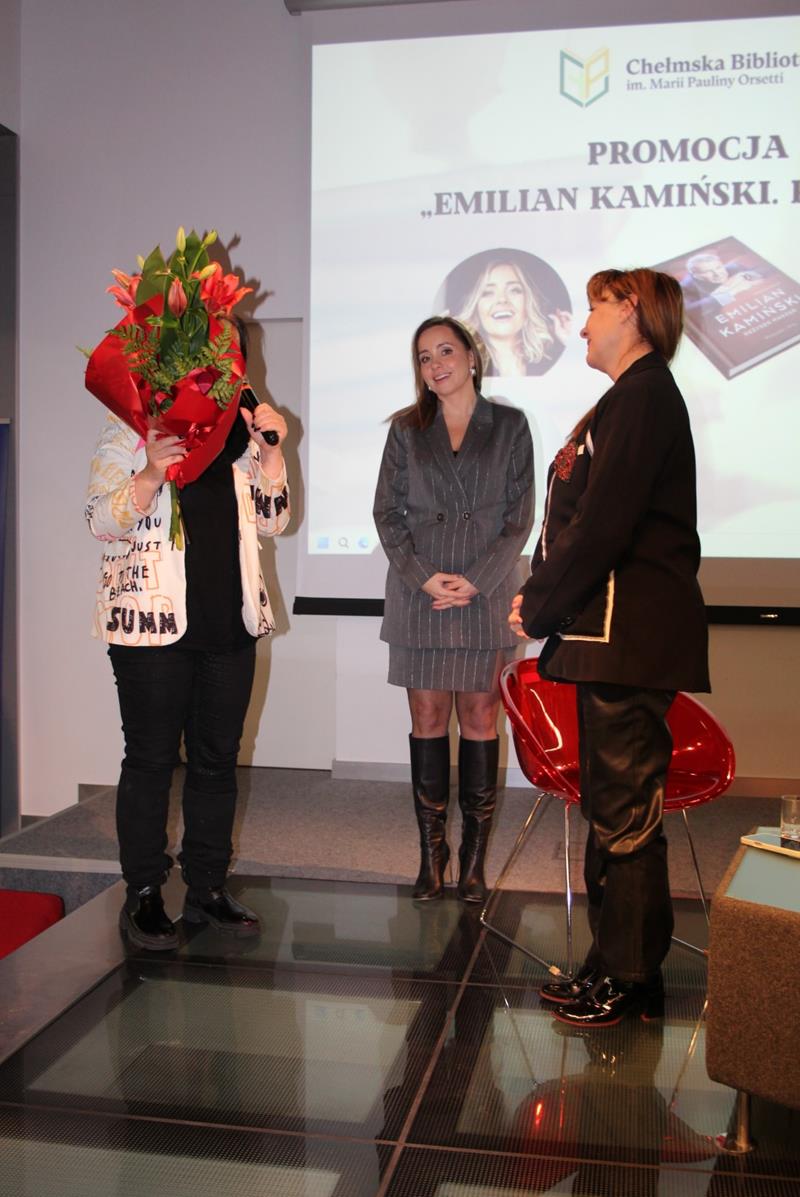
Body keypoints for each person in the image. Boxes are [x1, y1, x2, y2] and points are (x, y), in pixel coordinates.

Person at [509, 268, 709, 1026]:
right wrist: (549, 596)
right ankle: (615, 963)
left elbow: (604, 523)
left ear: (632, 310)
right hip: (610, 636)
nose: (583, 324)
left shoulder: (644, 395)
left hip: (629, 636)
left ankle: (629, 976)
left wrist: (541, 603)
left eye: (595, 306)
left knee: (624, 815)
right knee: (613, 809)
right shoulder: (629, 397)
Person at [86, 321, 290, 950]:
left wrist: (271, 452)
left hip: (229, 621)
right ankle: (144, 892)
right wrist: (150, 473)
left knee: (216, 760)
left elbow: (274, 521)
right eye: (210, 353)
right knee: (151, 760)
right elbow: (99, 519)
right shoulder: (132, 424)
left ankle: (207, 885)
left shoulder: (244, 432)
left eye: (231, 357)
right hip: (150, 626)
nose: (221, 366)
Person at [374, 315, 534, 903]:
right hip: (421, 595)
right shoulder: (406, 430)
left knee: (481, 719)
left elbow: (519, 518)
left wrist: (476, 581)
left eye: (445, 351)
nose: (436, 364)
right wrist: (424, 578)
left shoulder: (510, 426)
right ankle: (431, 853)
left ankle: (473, 860)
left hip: (484, 595)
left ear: (471, 356)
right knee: (427, 719)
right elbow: (387, 513)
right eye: (424, 357)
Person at [457, 259, 570, 377]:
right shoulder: (464, 368)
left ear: (528, 302)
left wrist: (568, 341)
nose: (502, 299)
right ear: (476, 308)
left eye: (514, 290)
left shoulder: (553, 361)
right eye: (488, 293)